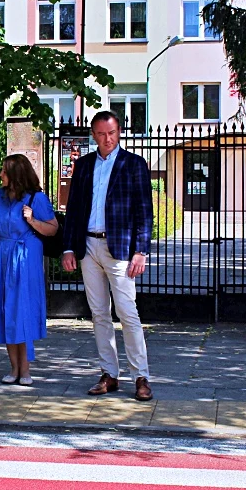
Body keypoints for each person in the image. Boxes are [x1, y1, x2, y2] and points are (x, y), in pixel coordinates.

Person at [61, 111, 154, 402]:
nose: (107, 139)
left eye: (111, 133)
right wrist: (68, 247)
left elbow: (144, 211)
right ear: (93, 134)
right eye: (101, 134)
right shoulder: (84, 165)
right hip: (89, 246)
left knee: (128, 312)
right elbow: (74, 208)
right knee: (99, 313)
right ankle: (109, 373)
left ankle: (141, 376)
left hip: (121, 249)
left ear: (120, 131)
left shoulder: (133, 164)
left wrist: (141, 250)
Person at [0, 153, 59, 386]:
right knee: (5, 310)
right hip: (1, 257)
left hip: (25, 258)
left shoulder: (36, 198)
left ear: (16, 174)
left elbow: (53, 229)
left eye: (5, 171)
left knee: (20, 311)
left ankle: (25, 369)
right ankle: (13, 367)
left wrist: (32, 220)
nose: (0, 175)